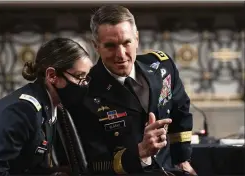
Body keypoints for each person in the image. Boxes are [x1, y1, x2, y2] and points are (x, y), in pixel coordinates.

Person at [68, 5, 197, 175]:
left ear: (137, 38)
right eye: (110, 46)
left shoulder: (162, 67)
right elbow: (94, 164)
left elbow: (180, 112)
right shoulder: (83, 93)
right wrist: (140, 152)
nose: (120, 54)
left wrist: (182, 160)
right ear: (96, 46)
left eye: (126, 43)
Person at [0, 38, 93, 175]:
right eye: (78, 76)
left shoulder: (49, 107)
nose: (83, 84)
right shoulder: (23, 111)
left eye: (86, 78)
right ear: (52, 75)